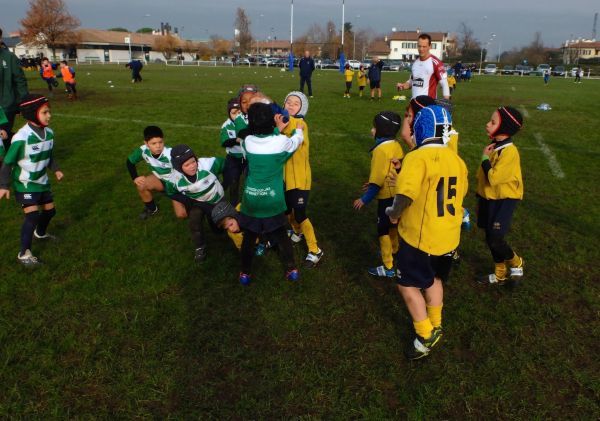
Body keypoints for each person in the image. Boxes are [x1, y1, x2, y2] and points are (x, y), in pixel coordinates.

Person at [385, 104, 468, 359]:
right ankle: (437, 321)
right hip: (449, 235)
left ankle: (425, 333)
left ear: (420, 128)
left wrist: (393, 215)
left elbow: (405, 196)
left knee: (407, 285)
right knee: (435, 280)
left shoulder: (416, 157)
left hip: (420, 237)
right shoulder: (456, 159)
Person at [238, 102, 304, 285]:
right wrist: (297, 130)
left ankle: (245, 273)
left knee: (249, 238)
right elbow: (295, 142)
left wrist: (276, 131)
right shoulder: (281, 142)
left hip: (251, 200)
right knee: (281, 236)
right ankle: (292, 269)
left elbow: (254, 142)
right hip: (272, 201)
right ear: (272, 120)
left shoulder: (248, 142)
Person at [0, 94, 64, 266]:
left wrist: (56, 169)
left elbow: (49, 155)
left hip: (42, 181)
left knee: (50, 211)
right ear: (33, 114)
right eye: (45, 112)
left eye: (49, 111)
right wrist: (4, 185)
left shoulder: (49, 133)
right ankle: (24, 253)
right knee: (32, 216)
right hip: (25, 183)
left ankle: (40, 233)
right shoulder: (22, 138)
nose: (49, 115)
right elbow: (7, 163)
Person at [476, 106, 525, 285]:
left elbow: (494, 178)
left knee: (496, 238)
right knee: (490, 237)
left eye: (493, 122)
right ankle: (500, 272)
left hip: (504, 199)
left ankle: (516, 262)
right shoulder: (495, 146)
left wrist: (484, 159)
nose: (488, 124)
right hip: (489, 198)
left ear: (504, 129)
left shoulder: (510, 152)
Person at [353, 111, 404, 278]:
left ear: (382, 130)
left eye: (374, 127)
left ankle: (388, 266)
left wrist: (364, 199)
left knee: (382, 229)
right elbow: (393, 169)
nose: (372, 130)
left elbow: (377, 181)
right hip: (398, 193)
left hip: (387, 197)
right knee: (393, 225)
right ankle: (395, 250)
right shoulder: (395, 144)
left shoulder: (380, 150)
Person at [281, 91, 323, 268]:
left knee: (299, 213)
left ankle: (315, 250)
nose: (290, 105)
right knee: (287, 210)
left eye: (295, 103)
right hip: (285, 178)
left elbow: (289, 138)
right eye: (288, 102)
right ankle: (297, 231)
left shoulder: (300, 123)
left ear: (302, 108)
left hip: (300, 178)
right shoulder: (282, 121)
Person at [169, 144, 227, 263]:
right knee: (194, 222)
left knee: (219, 228)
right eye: (187, 165)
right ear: (179, 167)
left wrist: (225, 182)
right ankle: (200, 246)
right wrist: (187, 201)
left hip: (216, 200)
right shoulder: (175, 178)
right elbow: (171, 192)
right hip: (198, 203)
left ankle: (216, 225)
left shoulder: (208, 164)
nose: (192, 166)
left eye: (193, 161)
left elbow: (228, 165)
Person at [126, 125, 186, 220]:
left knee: (181, 215)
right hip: (161, 180)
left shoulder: (170, 154)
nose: (158, 146)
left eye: (160, 142)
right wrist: (135, 177)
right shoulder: (143, 151)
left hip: (176, 184)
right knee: (141, 185)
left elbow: (186, 171)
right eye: (153, 143)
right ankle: (152, 208)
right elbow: (130, 162)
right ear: (146, 143)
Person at [0, 27, 29, 149]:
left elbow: (20, 81)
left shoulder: (9, 57)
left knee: (3, 136)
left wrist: (24, 103)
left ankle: (11, 160)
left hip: (6, 106)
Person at [397, 33, 450, 99]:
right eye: (419, 46)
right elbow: (412, 81)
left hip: (428, 105)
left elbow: (444, 84)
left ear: (430, 46)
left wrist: (446, 103)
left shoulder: (436, 63)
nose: (421, 49)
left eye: (424, 46)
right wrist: (404, 85)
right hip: (414, 104)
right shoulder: (415, 63)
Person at [219, 97, 246, 205]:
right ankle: (234, 204)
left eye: (239, 112)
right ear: (229, 114)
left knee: (249, 180)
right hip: (233, 158)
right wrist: (236, 140)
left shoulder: (247, 122)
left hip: (247, 158)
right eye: (234, 113)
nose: (237, 115)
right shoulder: (226, 125)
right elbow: (224, 142)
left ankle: (249, 202)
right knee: (233, 181)